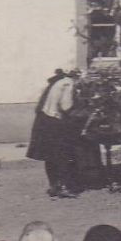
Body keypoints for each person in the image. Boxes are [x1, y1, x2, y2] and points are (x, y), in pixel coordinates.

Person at [27, 68, 80, 197]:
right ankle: (64, 187)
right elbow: (65, 105)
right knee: (62, 154)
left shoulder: (56, 82)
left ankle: (54, 186)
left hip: (43, 121)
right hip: (55, 122)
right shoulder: (68, 83)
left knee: (50, 156)